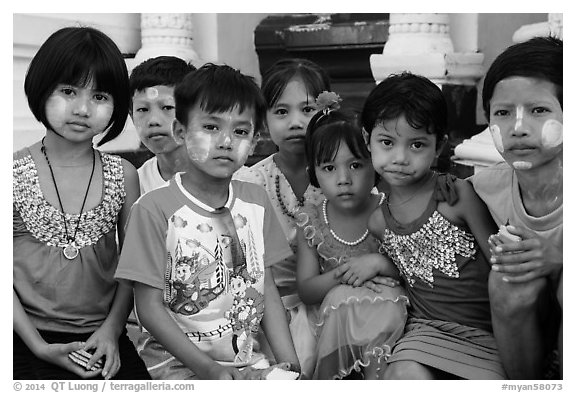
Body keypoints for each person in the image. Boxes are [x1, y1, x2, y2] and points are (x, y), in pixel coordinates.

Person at [114, 63, 301, 380]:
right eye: (211, 127)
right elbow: (148, 308)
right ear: (180, 132)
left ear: (254, 142)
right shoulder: (152, 209)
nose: (226, 141)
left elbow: (266, 287)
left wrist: (291, 366)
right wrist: (210, 371)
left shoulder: (255, 202)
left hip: (245, 361)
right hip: (172, 364)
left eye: (240, 131)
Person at [13, 26, 149, 380]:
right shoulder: (10, 173)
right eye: (69, 91)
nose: (83, 108)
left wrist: (111, 330)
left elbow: (132, 269)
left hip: (102, 338)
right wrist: (38, 346)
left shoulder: (124, 175)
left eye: (100, 96)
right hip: (21, 336)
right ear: (42, 89)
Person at [362, 72, 505, 379]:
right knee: (400, 376)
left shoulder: (455, 196)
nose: (400, 157)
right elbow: (405, 270)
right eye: (387, 142)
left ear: (438, 146)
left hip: (487, 333)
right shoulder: (378, 221)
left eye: (417, 145)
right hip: (425, 331)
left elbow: (500, 264)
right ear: (367, 140)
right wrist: (378, 264)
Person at [295, 92, 408, 379]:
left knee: (386, 301)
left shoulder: (390, 209)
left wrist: (378, 265)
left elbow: (411, 270)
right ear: (313, 174)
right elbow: (306, 290)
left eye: (356, 165)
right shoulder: (311, 219)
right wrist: (347, 273)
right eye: (329, 168)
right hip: (333, 320)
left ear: (375, 163)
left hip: (388, 315)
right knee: (342, 296)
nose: (343, 179)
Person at [471, 36, 563, 379]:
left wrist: (557, 257)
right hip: (534, 332)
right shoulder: (484, 187)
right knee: (508, 278)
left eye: (539, 110)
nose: (519, 128)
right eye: (503, 113)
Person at [234, 58, 329, 377]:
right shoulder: (251, 182)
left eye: (307, 109)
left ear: (327, 112)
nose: (295, 122)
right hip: (274, 313)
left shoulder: (342, 176)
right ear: (263, 121)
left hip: (332, 300)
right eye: (281, 111)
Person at [129, 56, 196, 194]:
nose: (153, 121)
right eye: (142, 109)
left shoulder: (232, 180)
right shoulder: (135, 188)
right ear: (131, 116)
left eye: (167, 107)